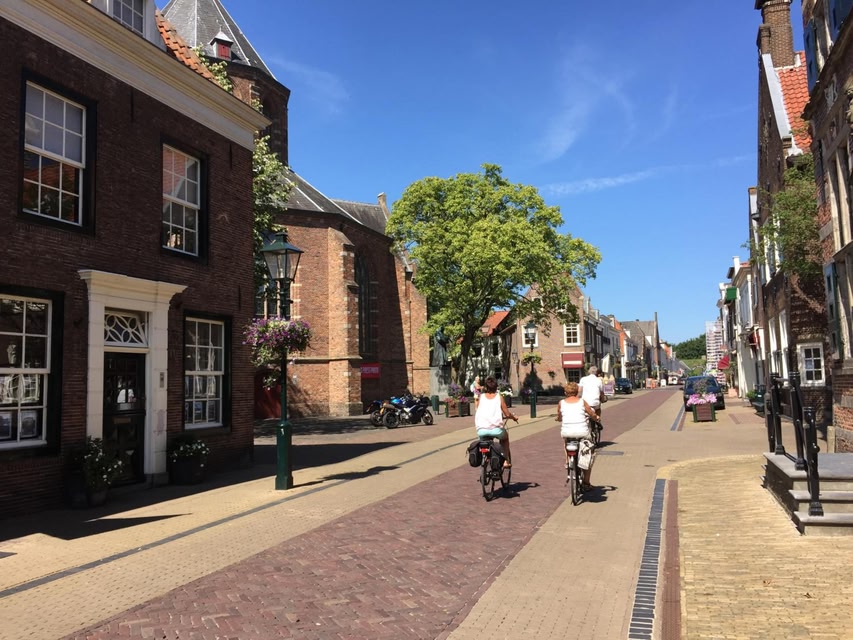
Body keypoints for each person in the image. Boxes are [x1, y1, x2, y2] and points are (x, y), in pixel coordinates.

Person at [556, 381, 598, 489]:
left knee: (566, 442)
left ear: (565, 392)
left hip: (567, 432)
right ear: (577, 392)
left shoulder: (561, 403)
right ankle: (586, 483)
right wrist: (596, 417)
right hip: (582, 432)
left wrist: (558, 418)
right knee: (588, 453)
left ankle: (567, 460)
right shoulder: (582, 402)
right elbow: (591, 413)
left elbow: (559, 416)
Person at [474, 376, 517, 468]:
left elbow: (478, 409)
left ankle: (486, 459)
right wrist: (514, 418)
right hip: (496, 429)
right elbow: (507, 414)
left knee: (484, 440)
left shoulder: (481, 397)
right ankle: (505, 461)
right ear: (496, 387)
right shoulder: (499, 397)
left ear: (485, 387)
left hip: (481, 429)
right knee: (505, 439)